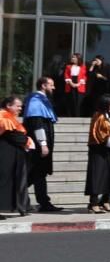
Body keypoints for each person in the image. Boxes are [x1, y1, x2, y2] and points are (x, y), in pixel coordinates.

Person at [23, 76, 66, 212]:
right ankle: (22, 200)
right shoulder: (35, 100)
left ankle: (42, 202)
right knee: (34, 174)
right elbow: (37, 124)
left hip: (41, 145)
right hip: (37, 146)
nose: (53, 87)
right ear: (43, 85)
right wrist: (43, 143)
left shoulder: (42, 100)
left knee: (37, 174)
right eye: (51, 85)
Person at [85, 95, 110, 213]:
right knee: (97, 177)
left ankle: (105, 201)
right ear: (105, 104)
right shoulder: (98, 116)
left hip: (107, 150)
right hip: (98, 151)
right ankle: (93, 203)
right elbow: (99, 135)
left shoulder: (105, 116)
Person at [0, 95, 34, 217]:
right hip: (5, 155)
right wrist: (27, 140)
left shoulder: (10, 117)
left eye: (21, 106)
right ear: (8, 106)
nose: (20, 108)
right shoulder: (3, 116)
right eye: (17, 106)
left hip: (14, 155)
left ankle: (22, 206)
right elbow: (12, 134)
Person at [63, 53, 87, 117]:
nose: (72, 58)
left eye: (74, 57)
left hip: (79, 85)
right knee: (71, 100)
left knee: (79, 101)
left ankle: (78, 116)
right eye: (72, 57)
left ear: (78, 59)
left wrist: (78, 84)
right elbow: (66, 75)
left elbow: (84, 76)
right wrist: (71, 83)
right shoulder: (68, 66)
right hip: (70, 83)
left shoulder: (83, 66)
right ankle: (70, 115)